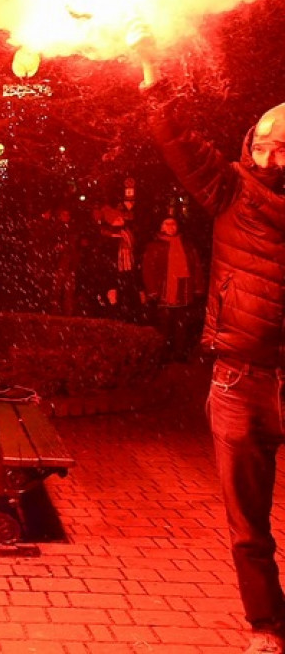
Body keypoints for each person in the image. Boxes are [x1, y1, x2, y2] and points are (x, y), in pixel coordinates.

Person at [138, 33, 285, 654]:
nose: (271, 146)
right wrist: (151, 70)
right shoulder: (229, 189)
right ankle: (267, 627)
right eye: (264, 138)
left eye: (283, 140)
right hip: (239, 380)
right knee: (248, 526)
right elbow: (177, 140)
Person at [141, 216, 204, 362]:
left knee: (181, 327)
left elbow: (196, 267)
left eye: (173, 224)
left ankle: (179, 354)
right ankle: (163, 354)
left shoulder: (187, 246)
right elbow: (148, 269)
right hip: (164, 292)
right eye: (167, 224)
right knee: (164, 325)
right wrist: (152, 290)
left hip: (183, 291)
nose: (171, 227)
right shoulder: (154, 246)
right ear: (161, 227)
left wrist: (198, 287)